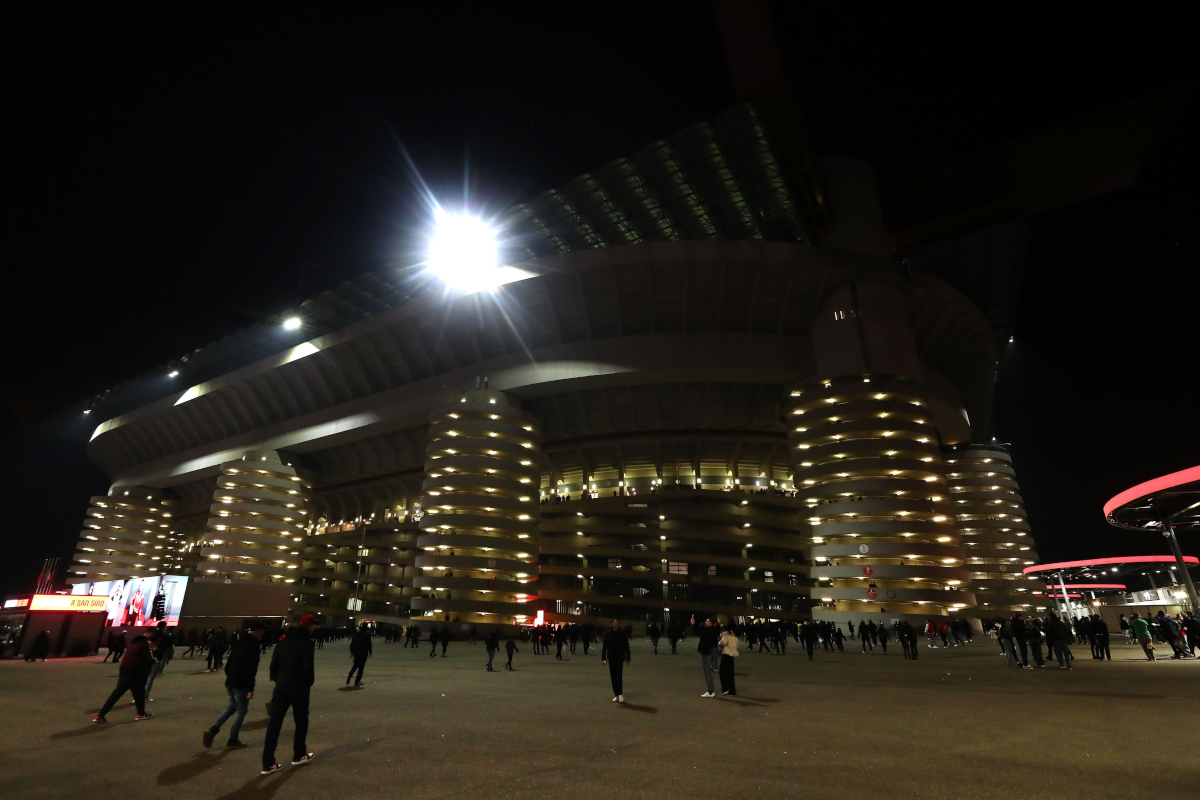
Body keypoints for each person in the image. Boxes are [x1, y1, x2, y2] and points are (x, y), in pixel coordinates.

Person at [261, 614, 317, 775]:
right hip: (298, 687)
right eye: (313, 626)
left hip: (281, 686)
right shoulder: (307, 643)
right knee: (301, 722)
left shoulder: (283, 641)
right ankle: (299, 754)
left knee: (274, 724)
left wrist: (278, 680)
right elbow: (308, 667)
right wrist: (308, 683)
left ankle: (267, 763)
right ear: (308, 626)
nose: (314, 628)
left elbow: (274, 664)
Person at [203, 621, 265, 749]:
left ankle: (213, 729)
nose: (262, 633)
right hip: (241, 684)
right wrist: (250, 688)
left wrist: (230, 678)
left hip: (231, 681)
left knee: (232, 707)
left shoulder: (239, 643)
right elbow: (251, 669)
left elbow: (229, 664)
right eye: (261, 631)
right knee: (241, 711)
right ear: (257, 631)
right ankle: (233, 739)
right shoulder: (253, 646)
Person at [93, 632, 154, 723]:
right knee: (139, 694)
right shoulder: (143, 644)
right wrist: (153, 661)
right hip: (136, 673)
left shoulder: (132, 644)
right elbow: (147, 658)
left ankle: (100, 715)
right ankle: (141, 713)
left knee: (116, 694)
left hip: (125, 671)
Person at [601, 618, 631, 703]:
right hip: (611, 658)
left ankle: (620, 694)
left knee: (619, 676)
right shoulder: (608, 634)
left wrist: (628, 657)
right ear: (612, 624)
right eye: (614, 622)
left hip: (619, 658)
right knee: (613, 677)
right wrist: (603, 658)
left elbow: (626, 646)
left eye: (617, 622)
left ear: (618, 623)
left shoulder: (622, 634)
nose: (615, 623)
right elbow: (604, 647)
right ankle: (616, 694)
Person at [691, 615, 719, 697]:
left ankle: (710, 692)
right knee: (706, 672)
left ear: (711, 623)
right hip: (706, 651)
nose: (705, 622)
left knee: (707, 672)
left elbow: (700, 633)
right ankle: (710, 691)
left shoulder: (710, 631)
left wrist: (693, 624)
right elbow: (700, 631)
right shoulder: (709, 629)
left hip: (707, 652)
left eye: (707, 621)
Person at [717, 624, 739, 696]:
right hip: (732, 654)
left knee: (722, 672)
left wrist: (719, 643)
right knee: (730, 673)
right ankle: (732, 690)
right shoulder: (734, 637)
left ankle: (725, 688)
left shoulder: (725, 636)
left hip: (726, 654)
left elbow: (722, 643)